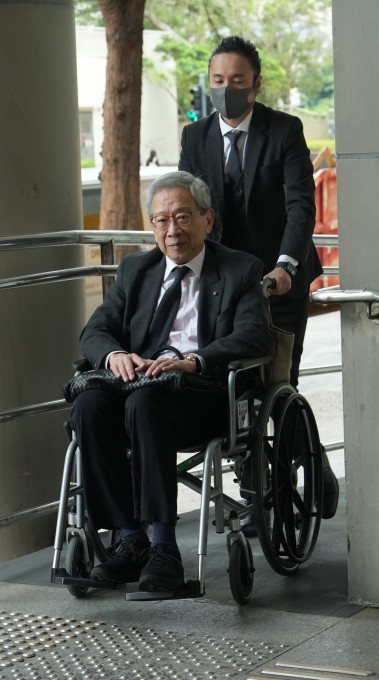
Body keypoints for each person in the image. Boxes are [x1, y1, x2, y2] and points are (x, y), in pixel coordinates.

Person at [70, 171, 273, 592]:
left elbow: (255, 335)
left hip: (203, 396)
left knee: (143, 405)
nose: (172, 231)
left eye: (183, 217)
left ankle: (164, 548)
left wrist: (194, 361)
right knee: (89, 406)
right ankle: (130, 541)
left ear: (207, 220)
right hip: (139, 388)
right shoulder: (136, 270)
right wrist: (116, 355)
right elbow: (95, 330)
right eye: (161, 221)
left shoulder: (238, 269)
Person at [179, 35, 339, 520]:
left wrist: (287, 265)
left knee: (277, 383)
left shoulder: (284, 130)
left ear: (256, 84)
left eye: (238, 82)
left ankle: (277, 488)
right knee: (235, 388)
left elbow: (299, 205)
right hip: (223, 287)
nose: (227, 90)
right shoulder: (196, 137)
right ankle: (270, 484)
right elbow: (187, 207)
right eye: (218, 81)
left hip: (278, 281)